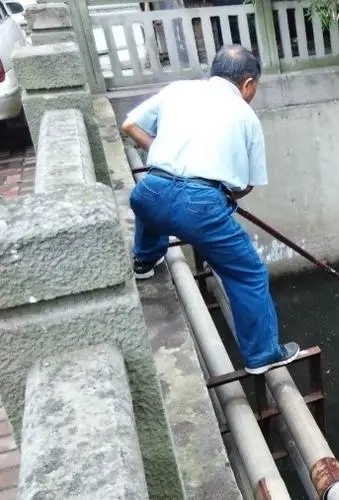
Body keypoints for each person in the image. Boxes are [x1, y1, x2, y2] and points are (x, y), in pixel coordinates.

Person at [121, 44, 300, 375]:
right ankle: (262, 355)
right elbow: (247, 183)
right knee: (248, 273)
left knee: (153, 202)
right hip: (200, 206)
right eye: (255, 87)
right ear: (248, 83)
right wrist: (226, 195)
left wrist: (157, 150)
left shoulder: (178, 90)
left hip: (151, 189)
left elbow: (129, 125)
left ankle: (144, 260)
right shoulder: (246, 116)